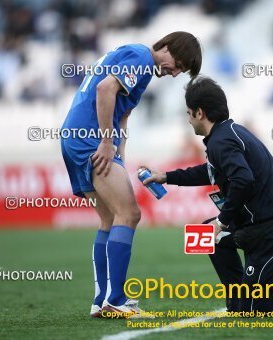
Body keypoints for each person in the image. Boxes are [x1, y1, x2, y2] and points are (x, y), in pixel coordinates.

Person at [141, 76, 273, 316]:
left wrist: (222, 221)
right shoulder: (225, 134)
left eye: (188, 113)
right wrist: (166, 177)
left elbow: (243, 180)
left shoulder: (222, 141)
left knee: (255, 306)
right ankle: (240, 301)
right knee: (207, 238)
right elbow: (209, 172)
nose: (188, 120)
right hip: (263, 225)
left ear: (199, 113)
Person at [60, 32, 202, 318]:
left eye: (181, 71)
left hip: (75, 137)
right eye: (178, 65)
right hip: (89, 139)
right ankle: (116, 300)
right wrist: (105, 142)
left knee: (109, 218)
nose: (174, 74)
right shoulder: (140, 56)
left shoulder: (141, 64)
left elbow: (121, 115)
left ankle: (102, 301)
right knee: (130, 214)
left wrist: (121, 157)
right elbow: (104, 90)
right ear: (167, 47)